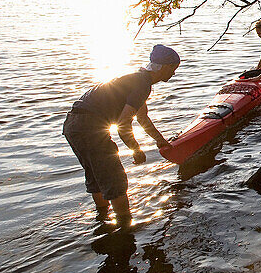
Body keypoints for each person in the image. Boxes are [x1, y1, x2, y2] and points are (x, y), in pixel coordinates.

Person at [63, 44, 180, 222]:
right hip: (89, 126)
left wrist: (160, 140)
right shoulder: (142, 84)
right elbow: (123, 123)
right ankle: (125, 227)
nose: (174, 74)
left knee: (96, 176)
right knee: (115, 179)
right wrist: (135, 149)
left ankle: (102, 220)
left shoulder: (137, 79)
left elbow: (142, 118)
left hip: (73, 125)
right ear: (163, 67)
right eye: (173, 68)